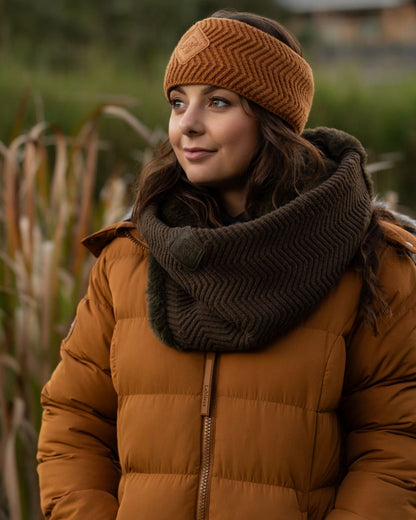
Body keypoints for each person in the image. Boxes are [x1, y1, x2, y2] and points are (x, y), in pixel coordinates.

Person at [37, 9, 416, 520]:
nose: (187, 124)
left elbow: (395, 447)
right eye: (177, 102)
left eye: (217, 102)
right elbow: (74, 422)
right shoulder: (129, 258)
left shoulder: (370, 261)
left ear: (273, 118)